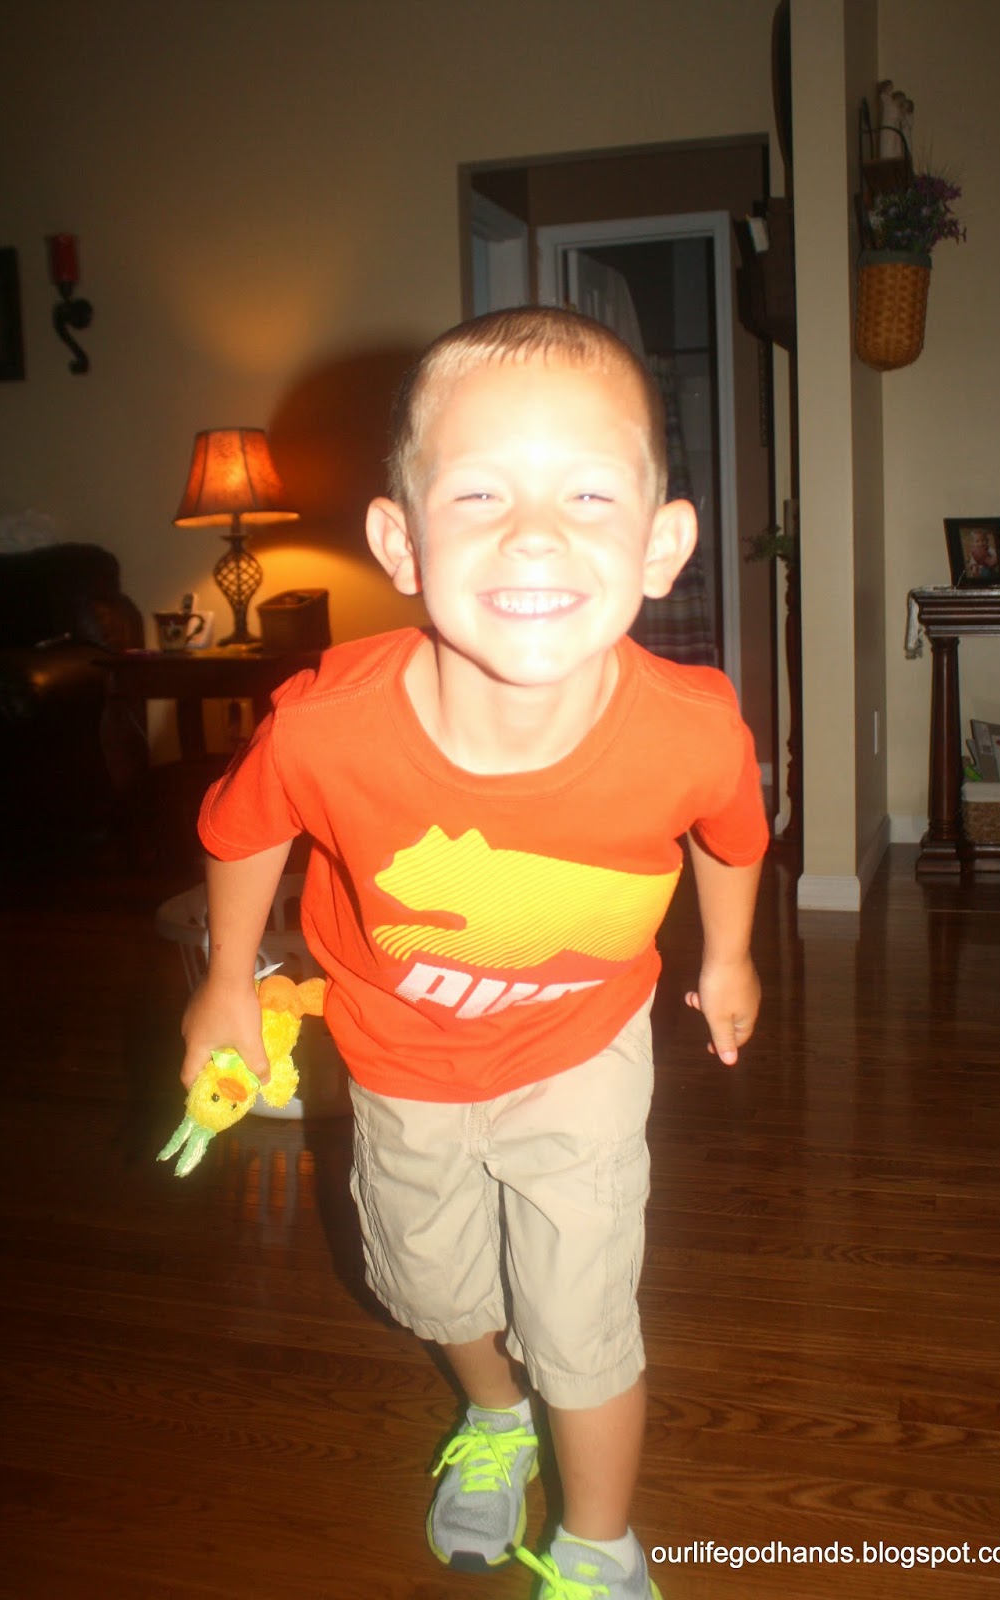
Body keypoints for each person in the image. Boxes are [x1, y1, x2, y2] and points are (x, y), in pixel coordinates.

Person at [180, 307, 769, 1600]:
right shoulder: (324, 727)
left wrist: (726, 956)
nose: (536, 533)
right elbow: (243, 830)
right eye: (480, 493)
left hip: (579, 1048)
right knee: (434, 1280)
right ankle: (495, 1414)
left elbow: (732, 835)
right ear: (401, 541)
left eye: (588, 493)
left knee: (579, 1309)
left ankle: (598, 1544)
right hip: (397, 1056)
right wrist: (225, 979)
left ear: (661, 545)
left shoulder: (691, 729)